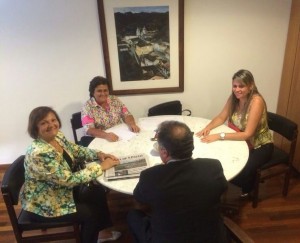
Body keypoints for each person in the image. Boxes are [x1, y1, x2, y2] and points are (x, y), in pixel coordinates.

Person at [21, 106, 122, 243]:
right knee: (90, 214)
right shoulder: (39, 153)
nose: (51, 125)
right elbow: (69, 180)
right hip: (45, 203)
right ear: (35, 128)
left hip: (59, 189)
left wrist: (98, 154)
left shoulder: (57, 136)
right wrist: (101, 167)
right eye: (44, 123)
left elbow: (74, 149)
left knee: (98, 192)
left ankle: (104, 233)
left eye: (53, 120)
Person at [127, 120, 228, 243]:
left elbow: (139, 197)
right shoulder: (213, 167)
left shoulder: (150, 176)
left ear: (164, 152)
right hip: (212, 238)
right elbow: (223, 188)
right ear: (192, 146)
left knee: (133, 215)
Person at [196, 69, 274, 197]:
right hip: (242, 142)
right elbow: (221, 117)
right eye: (234, 86)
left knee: (238, 170)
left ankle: (249, 189)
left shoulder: (256, 101)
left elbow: (248, 134)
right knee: (220, 159)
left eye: (241, 86)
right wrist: (208, 128)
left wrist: (219, 136)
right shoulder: (234, 98)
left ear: (251, 86)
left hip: (260, 146)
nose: (237, 90)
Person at [81, 76, 140, 143]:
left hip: (120, 135)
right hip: (100, 139)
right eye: (99, 91)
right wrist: (106, 135)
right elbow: (89, 129)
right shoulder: (87, 107)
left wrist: (132, 124)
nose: (103, 94)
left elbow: (126, 114)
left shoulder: (115, 99)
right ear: (92, 92)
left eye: (105, 90)